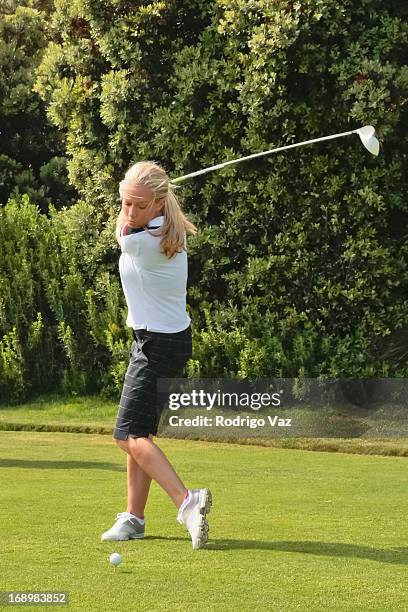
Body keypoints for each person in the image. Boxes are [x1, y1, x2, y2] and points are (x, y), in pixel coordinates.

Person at [101, 161, 212, 550]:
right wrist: (146, 195)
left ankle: (187, 501)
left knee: (126, 434)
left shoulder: (143, 241)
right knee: (140, 431)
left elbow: (121, 232)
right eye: (125, 203)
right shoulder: (160, 227)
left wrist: (133, 198)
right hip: (161, 339)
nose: (129, 212)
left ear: (160, 204)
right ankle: (134, 517)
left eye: (137, 204)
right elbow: (135, 218)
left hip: (157, 344)